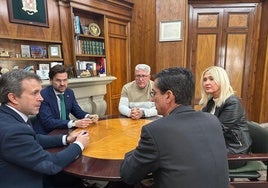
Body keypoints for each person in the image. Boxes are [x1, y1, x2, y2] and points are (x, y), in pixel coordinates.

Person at [120, 67, 230, 188]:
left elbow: (128, 174)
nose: (152, 99)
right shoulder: (213, 121)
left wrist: (138, 148)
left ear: (168, 96)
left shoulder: (155, 131)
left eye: (154, 93)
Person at [0, 69, 89, 188]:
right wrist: (79, 144)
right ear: (13, 98)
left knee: (73, 181)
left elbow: (33, 138)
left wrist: (66, 138)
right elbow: (51, 165)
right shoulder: (13, 130)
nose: (41, 98)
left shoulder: (9, 116)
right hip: (29, 180)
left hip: (30, 170)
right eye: (35, 93)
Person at [199, 66, 252, 169]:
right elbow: (200, 121)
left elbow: (217, 130)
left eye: (211, 78)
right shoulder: (211, 102)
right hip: (220, 144)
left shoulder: (233, 103)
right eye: (204, 79)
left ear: (221, 80)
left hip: (235, 151)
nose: (206, 83)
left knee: (192, 156)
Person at [33, 65, 99, 134]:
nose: (62, 84)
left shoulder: (69, 92)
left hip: (64, 131)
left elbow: (77, 111)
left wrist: (89, 116)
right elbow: (48, 122)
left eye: (65, 80)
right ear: (51, 81)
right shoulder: (43, 95)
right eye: (58, 80)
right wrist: (74, 123)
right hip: (47, 134)